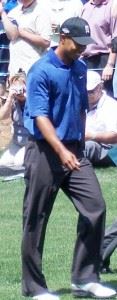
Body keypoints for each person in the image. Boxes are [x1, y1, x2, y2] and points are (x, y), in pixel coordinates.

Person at [22, 17, 116, 300]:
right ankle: (34, 287)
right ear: (62, 38)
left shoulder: (80, 67)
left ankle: (84, 277)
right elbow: (40, 117)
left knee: (95, 208)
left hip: (74, 149)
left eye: (86, 45)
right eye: (77, 44)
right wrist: (61, 151)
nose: (82, 50)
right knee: (36, 218)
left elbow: (79, 107)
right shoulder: (41, 71)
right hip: (44, 152)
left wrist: (78, 140)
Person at [0, 0, 51, 75]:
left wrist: (21, 32)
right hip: (14, 69)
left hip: (32, 67)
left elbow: (46, 42)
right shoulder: (13, 12)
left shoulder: (41, 12)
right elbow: (10, 36)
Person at [81, 0, 117, 96]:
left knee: (104, 96)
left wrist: (110, 64)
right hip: (86, 59)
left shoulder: (111, 6)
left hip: (103, 60)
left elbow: (115, 38)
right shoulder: (86, 7)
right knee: (87, 96)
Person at [85, 70, 117, 166]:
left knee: (88, 146)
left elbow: (115, 136)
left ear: (100, 87)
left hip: (106, 148)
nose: (87, 95)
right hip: (84, 141)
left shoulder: (111, 106)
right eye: (84, 91)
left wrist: (92, 136)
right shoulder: (78, 102)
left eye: (90, 92)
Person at [0, 70, 29, 167]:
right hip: (16, 141)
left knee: (19, 162)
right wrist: (9, 98)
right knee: (3, 164)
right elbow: (2, 117)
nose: (19, 91)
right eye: (15, 87)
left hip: (31, 142)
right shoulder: (13, 101)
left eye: (21, 86)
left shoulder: (33, 99)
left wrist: (27, 98)